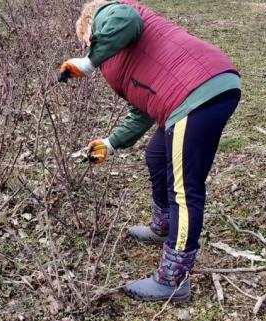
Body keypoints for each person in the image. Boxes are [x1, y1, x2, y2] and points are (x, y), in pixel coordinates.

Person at [59, 0, 241, 302]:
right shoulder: (120, 57)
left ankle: (174, 278)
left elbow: (126, 18)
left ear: (90, 26)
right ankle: (163, 226)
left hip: (196, 91)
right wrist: (110, 144)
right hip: (190, 95)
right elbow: (142, 110)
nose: (92, 46)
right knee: (156, 155)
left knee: (185, 191)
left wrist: (88, 61)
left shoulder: (110, 13)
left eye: (88, 40)